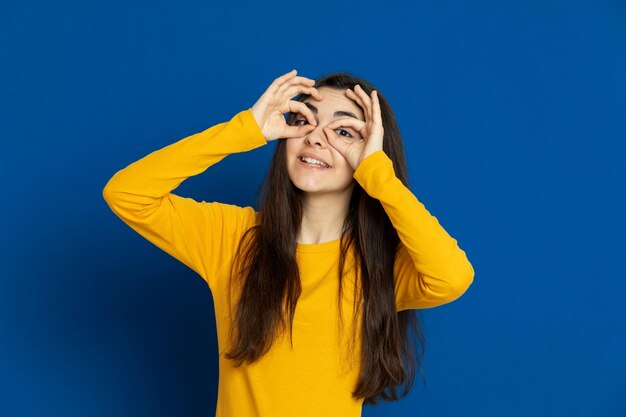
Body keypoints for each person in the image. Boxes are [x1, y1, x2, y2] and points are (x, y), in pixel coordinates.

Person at [102, 69, 475, 417]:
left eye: (343, 131)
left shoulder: (380, 266)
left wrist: (377, 174)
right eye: (303, 120)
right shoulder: (233, 237)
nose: (315, 137)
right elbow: (126, 193)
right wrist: (244, 130)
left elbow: (452, 277)